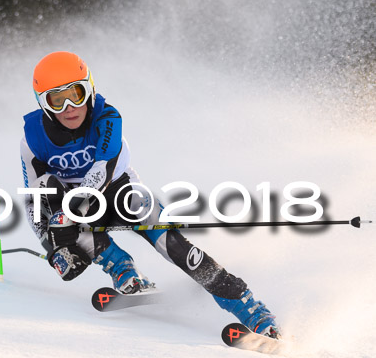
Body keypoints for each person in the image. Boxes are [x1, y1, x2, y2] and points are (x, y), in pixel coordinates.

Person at [20, 51, 281, 339]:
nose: (70, 107)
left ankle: (250, 308)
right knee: (53, 217)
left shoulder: (107, 118)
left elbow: (101, 173)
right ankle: (121, 268)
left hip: (121, 192)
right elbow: (36, 196)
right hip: (74, 204)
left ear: (89, 89)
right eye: (57, 99)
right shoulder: (32, 139)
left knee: (176, 248)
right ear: (43, 104)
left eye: (76, 94)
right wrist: (56, 246)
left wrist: (69, 214)